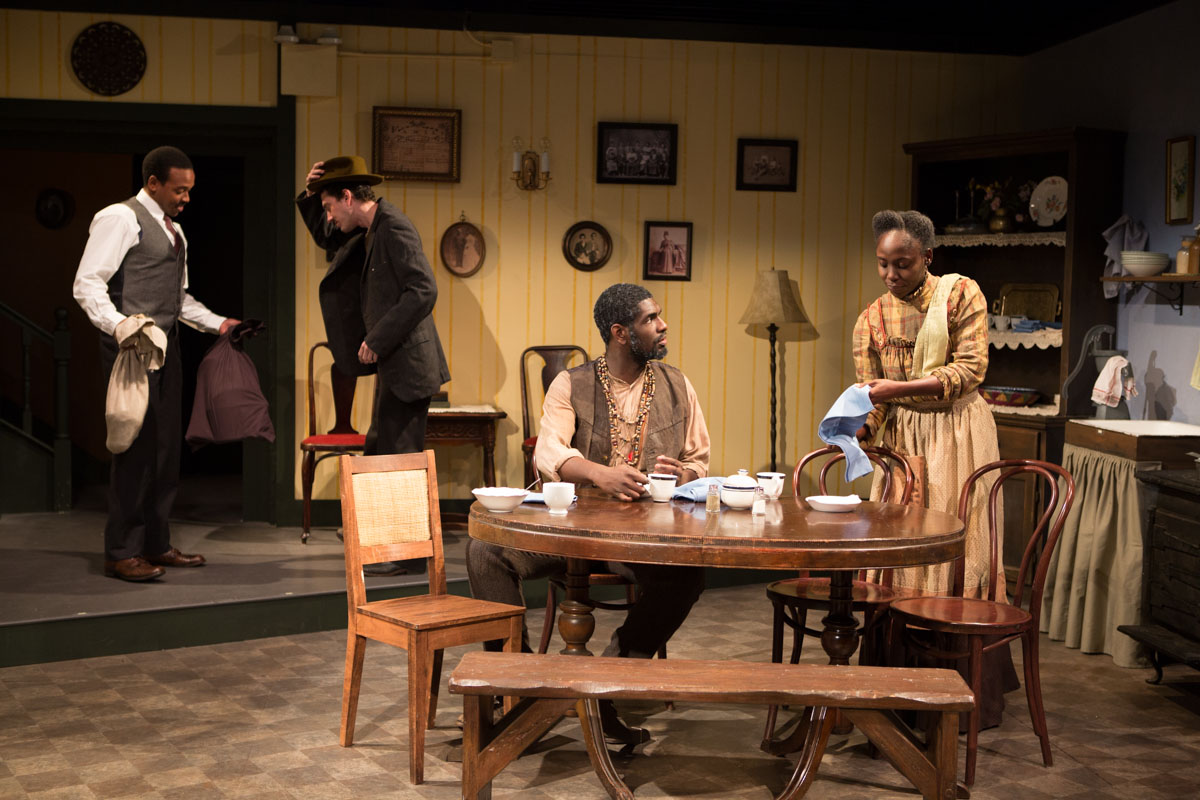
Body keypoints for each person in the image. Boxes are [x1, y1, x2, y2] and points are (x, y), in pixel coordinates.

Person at [467, 282, 710, 743]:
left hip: (641, 539)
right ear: (620, 332)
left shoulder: (678, 384)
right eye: (650, 319)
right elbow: (549, 453)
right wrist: (601, 475)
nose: (663, 326)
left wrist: (682, 473)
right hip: (571, 534)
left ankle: (607, 680)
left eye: (659, 316)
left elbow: (699, 460)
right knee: (485, 553)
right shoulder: (571, 383)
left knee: (686, 576)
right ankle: (517, 685)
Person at [852, 209, 1018, 727]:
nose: (891, 275)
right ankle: (894, 687)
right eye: (883, 264)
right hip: (904, 440)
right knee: (900, 550)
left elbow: (970, 370)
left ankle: (957, 689)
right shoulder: (871, 319)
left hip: (956, 432)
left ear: (927, 256)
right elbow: (873, 399)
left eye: (902, 264)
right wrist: (857, 432)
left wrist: (896, 390)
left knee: (954, 545)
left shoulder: (961, 294)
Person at [73, 146, 239, 582]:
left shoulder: (176, 232)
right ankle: (121, 551)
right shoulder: (120, 218)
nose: (186, 198)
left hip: (168, 348)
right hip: (132, 350)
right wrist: (119, 325)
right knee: (134, 447)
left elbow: (178, 299)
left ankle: (155, 543)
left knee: (165, 450)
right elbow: (87, 284)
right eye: (179, 190)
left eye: (189, 190)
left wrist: (219, 324)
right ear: (153, 183)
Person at [297, 156, 450, 575]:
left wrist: (377, 338)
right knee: (382, 453)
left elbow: (423, 290)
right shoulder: (366, 229)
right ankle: (388, 545)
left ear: (348, 197)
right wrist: (311, 195)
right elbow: (327, 237)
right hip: (394, 366)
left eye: (330, 206)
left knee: (401, 461)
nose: (329, 216)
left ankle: (409, 558)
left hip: (409, 365)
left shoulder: (393, 227)